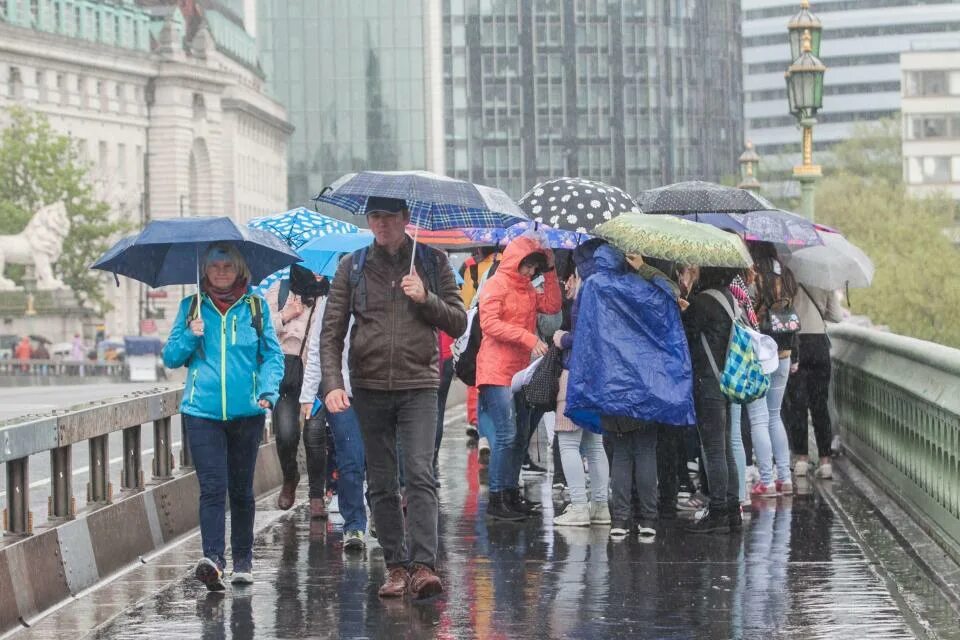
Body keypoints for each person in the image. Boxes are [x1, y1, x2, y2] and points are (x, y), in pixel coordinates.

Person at [319, 196, 466, 599]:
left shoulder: (433, 264)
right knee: (380, 481)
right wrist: (333, 383)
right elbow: (331, 333)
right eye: (374, 217)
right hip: (368, 387)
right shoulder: (353, 267)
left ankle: (423, 566)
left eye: (388, 217)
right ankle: (396, 566)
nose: (381, 224)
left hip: (419, 383)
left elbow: (458, 320)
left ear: (405, 219)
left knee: (419, 473)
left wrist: (425, 298)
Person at [162, 243, 284, 591]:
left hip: (248, 412)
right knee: (213, 488)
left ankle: (243, 560)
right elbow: (171, 358)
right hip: (202, 412)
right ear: (204, 270)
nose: (220, 272)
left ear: (240, 270)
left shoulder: (256, 308)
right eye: (214, 266)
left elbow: (272, 357)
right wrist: (190, 334)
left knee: (242, 490)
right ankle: (213, 560)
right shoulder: (191, 307)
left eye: (227, 266)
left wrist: (268, 392)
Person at [565, 245, 696, 539]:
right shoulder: (646, 288)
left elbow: (584, 335)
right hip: (647, 386)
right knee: (646, 451)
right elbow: (673, 293)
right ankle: (648, 519)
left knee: (621, 454)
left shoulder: (593, 287)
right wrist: (644, 269)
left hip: (609, 387)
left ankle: (620, 522)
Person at [476, 233, 562, 522]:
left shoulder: (526, 288)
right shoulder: (495, 285)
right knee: (507, 434)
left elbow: (551, 306)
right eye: (527, 266)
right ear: (515, 261)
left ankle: (511, 493)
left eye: (534, 268)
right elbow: (489, 324)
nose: (530, 272)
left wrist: (550, 271)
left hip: (520, 372)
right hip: (495, 369)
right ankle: (497, 497)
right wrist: (526, 338)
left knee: (521, 435)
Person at [299, 270, 368, 553]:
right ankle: (354, 525)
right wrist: (307, 395)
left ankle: (383, 514)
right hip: (341, 391)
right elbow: (317, 349)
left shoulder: (388, 296)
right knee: (349, 459)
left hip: (381, 390)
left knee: (379, 462)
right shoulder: (330, 303)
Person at [551, 240, 610, 527]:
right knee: (595, 445)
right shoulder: (607, 284)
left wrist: (562, 338)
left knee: (568, 441)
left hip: (575, 372)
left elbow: (584, 334)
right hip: (598, 375)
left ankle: (577, 506)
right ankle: (600, 507)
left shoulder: (587, 290)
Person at [265, 264, 330, 518]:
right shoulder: (280, 291)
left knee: (314, 435)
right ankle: (290, 477)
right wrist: (285, 316)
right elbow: (260, 328)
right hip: (286, 374)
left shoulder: (330, 294)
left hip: (316, 373)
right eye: (310, 265)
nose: (316, 272)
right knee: (286, 434)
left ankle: (316, 496)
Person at [682, 267, 741, 534]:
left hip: (707, 381)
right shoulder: (729, 297)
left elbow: (685, 334)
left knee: (714, 448)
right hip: (725, 380)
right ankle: (732, 510)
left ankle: (718, 513)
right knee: (725, 446)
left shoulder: (702, 302)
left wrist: (685, 298)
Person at [750, 243, 796, 496]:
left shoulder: (754, 277)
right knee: (774, 415)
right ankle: (784, 478)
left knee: (758, 418)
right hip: (785, 351)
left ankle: (766, 481)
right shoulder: (787, 276)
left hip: (761, 352)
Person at [784, 284, 843, 479]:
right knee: (820, 405)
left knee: (797, 405)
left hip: (796, 344)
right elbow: (836, 316)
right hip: (819, 346)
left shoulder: (788, 278)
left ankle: (801, 459)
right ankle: (825, 461)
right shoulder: (824, 279)